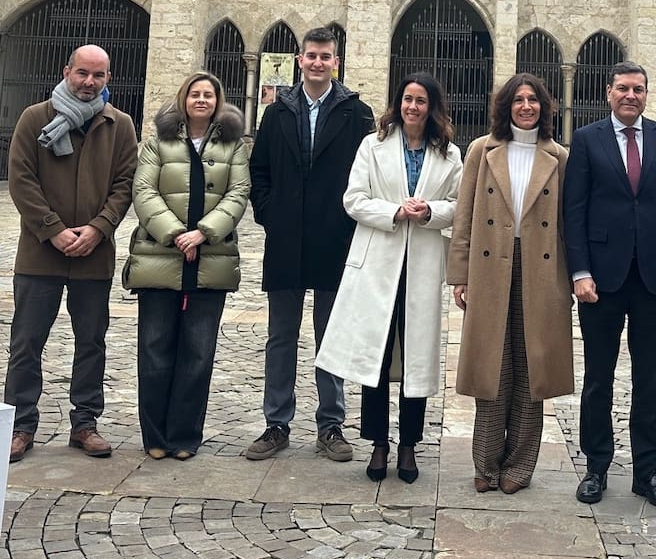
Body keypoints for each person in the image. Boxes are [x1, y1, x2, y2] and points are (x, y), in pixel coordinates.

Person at [316, 72, 462, 483]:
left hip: (421, 264)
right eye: (407, 100)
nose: (413, 107)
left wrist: (430, 211)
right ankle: (378, 442)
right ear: (398, 103)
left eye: (421, 101)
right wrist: (395, 212)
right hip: (379, 262)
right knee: (376, 357)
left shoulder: (450, 154)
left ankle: (409, 445)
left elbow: (458, 204)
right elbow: (354, 199)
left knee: (416, 357)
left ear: (433, 107)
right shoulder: (373, 146)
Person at [563, 60, 656, 509]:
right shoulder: (586, 140)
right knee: (599, 376)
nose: (630, 96)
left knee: (649, 377)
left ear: (646, 94)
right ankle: (596, 466)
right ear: (608, 92)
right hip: (601, 278)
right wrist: (579, 273)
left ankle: (647, 470)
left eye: (638, 89)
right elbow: (573, 212)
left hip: (654, 279)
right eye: (623, 89)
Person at [246, 26, 375, 462]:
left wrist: (348, 222)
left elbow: (367, 175)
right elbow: (258, 169)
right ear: (300, 60)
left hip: (333, 239)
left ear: (336, 62)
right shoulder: (277, 111)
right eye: (311, 56)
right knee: (280, 336)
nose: (318, 62)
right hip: (285, 238)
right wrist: (269, 213)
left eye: (326, 56)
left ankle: (331, 425)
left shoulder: (357, 114)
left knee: (330, 336)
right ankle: (276, 422)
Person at [5, 44, 138, 462]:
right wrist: (54, 230)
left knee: (91, 342)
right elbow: (21, 179)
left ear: (108, 79)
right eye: (82, 73)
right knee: (26, 342)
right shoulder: (35, 118)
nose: (89, 82)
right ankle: (20, 425)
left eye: (98, 75)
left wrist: (99, 229)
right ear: (67, 72)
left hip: (94, 255)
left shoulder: (120, 125)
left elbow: (125, 183)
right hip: (40, 254)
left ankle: (85, 423)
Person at [448, 73, 574, 494]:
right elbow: (464, 215)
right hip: (490, 268)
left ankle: (519, 467)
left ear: (544, 106)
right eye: (518, 100)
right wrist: (460, 274)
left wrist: (571, 280)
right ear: (506, 106)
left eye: (533, 100)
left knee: (532, 368)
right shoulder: (481, 151)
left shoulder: (559, 156)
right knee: (492, 367)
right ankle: (485, 464)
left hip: (541, 269)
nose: (526, 106)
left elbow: (567, 225)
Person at [124, 72, 250, 460]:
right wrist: (175, 233)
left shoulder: (233, 146)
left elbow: (238, 193)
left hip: (210, 261)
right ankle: (156, 437)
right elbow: (143, 190)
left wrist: (204, 233)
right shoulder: (157, 142)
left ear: (218, 101)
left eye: (208, 95)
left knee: (198, 353)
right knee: (155, 348)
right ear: (184, 99)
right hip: (159, 259)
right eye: (195, 94)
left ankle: (184, 437)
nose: (201, 100)